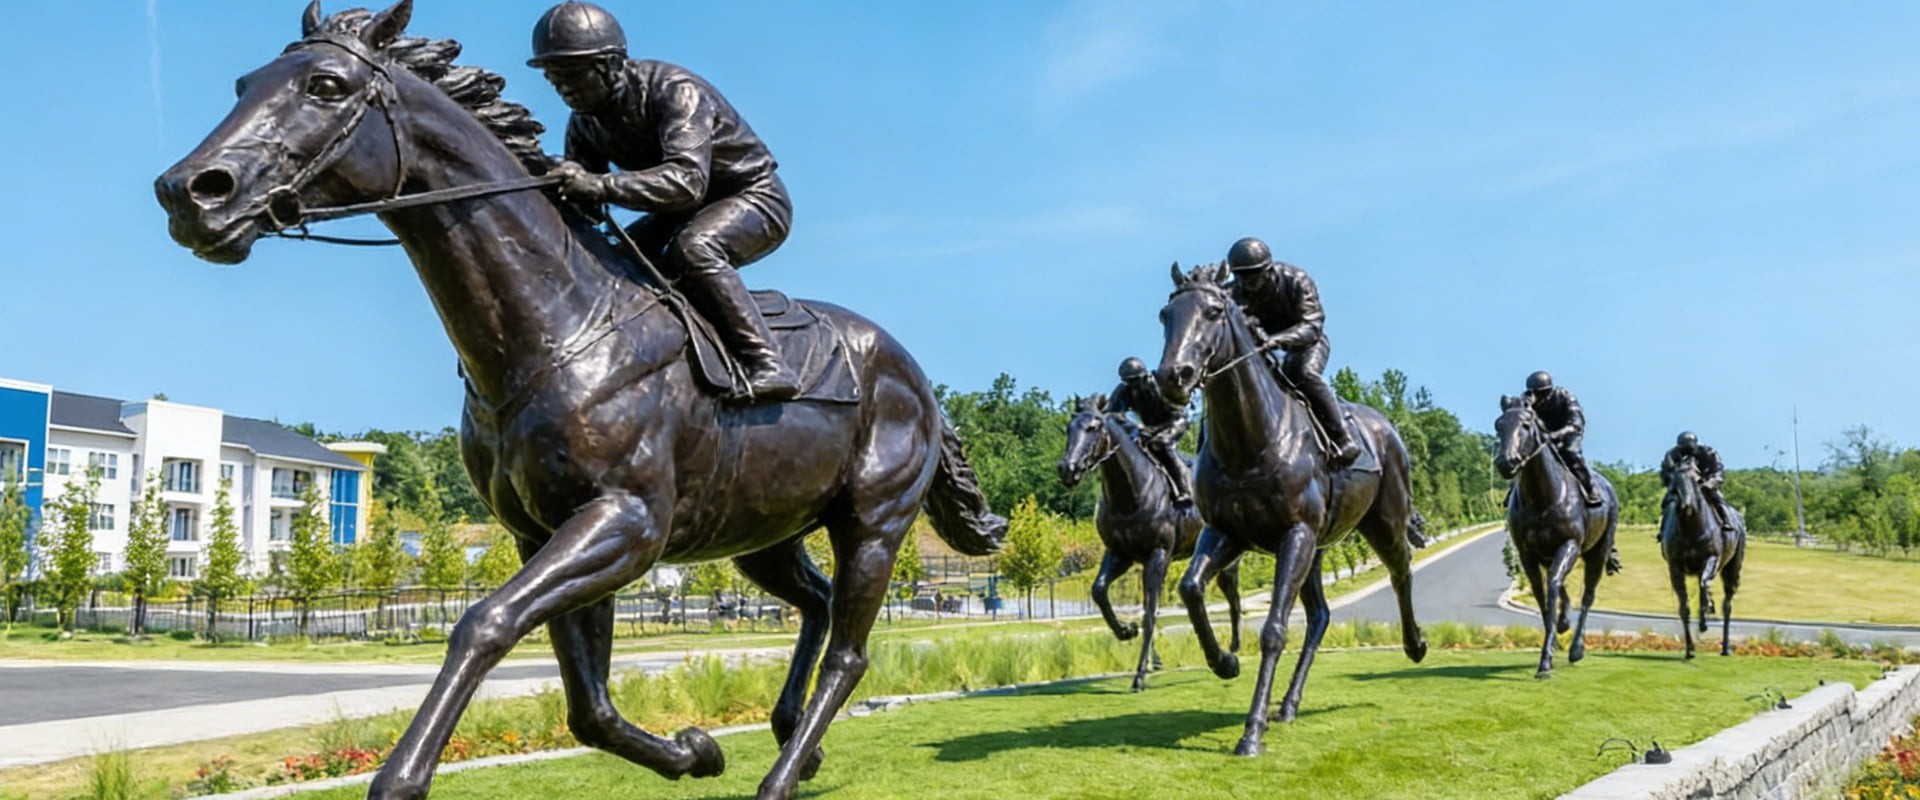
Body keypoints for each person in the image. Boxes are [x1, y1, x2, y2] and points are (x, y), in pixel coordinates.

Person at [531, 1, 799, 401]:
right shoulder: (584, 121)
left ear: (609, 65)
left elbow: (687, 181)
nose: (564, 88)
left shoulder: (676, 91)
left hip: (751, 197)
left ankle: (768, 363)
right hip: (676, 213)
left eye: (572, 75)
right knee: (613, 261)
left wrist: (598, 185)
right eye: (554, 79)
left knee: (695, 249)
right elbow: (585, 205)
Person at [1225, 237, 1361, 467]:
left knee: (1304, 374)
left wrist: (1277, 340)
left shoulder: (1297, 280)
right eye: (1241, 276)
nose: (1247, 282)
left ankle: (1341, 437)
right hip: (1261, 351)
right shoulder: (1232, 293)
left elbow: (1312, 325)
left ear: (1268, 269)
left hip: (1305, 344)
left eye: (1253, 275)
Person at [1106, 357, 1194, 507]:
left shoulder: (1160, 382)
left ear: (1144, 375)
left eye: (1136, 380)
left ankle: (1184, 490)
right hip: (1148, 428)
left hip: (1174, 421)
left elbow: (1183, 398)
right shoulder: (1124, 391)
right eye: (1129, 382)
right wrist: (1134, 427)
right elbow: (1113, 415)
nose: (1134, 385)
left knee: (1162, 444)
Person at [1521, 371, 1602, 505]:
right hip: (1544, 434)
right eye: (1535, 393)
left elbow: (1576, 423)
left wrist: (1556, 435)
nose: (1538, 397)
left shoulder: (1565, 396)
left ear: (1549, 390)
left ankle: (1590, 488)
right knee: (1524, 457)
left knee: (1572, 453)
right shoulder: (1527, 400)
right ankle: (1515, 491)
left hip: (1569, 432)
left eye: (1542, 393)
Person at [1659, 431, 1734, 536]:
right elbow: (1666, 473)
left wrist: (1710, 483)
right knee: (1668, 501)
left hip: (1705, 484)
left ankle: (1725, 521)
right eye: (1683, 448)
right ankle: (1663, 529)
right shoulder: (1671, 455)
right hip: (1682, 485)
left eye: (1689, 447)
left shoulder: (1708, 452)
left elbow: (1718, 471)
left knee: (1717, 498)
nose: (1686, 451)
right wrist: (1674, 484)